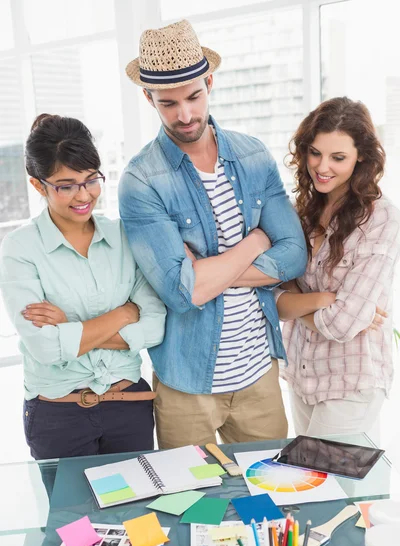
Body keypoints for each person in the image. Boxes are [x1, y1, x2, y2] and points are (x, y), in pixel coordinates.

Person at [119, 20, 307, 448]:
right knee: (189, 507)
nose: (185, 115)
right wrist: (258, 241)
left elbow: (295, 255)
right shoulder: (141, 181)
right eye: (168, 103)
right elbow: (181, 293)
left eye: (193, 96)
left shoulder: (253, 156)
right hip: (187, 383)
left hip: (260, 375)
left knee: (267, 501)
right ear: (148, 98)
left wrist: (205, 274)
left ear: (209, 81)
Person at [0, 114, 166, 460]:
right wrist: (123, 313)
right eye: (66, 185)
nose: (83, 195)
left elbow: (154, 327)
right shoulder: (20, 248)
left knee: (136, 514)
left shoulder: (122, 236)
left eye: (91, 180)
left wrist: (69, 330)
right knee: (73, 516)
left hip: (129, 408)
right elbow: (45, 348)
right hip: (58, 416)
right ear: (38, 185)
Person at [274, 97, 400, 439]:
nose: (322, 166)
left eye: (338, 157)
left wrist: (299, 298)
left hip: (350, 380)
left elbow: (341, 324)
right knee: (310, 486)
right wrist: (323, 300)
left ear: (362, 157)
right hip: (302, 375)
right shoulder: (303, 210)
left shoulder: (380, 217)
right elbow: (274, 296)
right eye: (315, 152)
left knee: (330, 488)